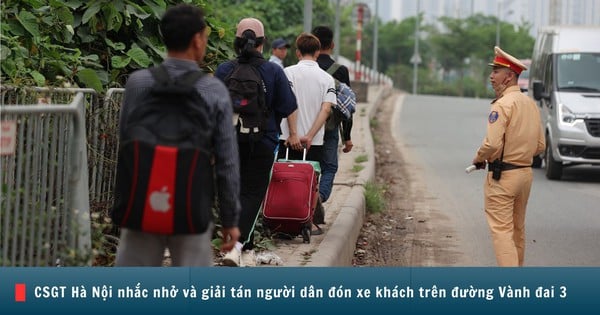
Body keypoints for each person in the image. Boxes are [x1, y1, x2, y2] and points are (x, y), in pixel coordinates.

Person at [114, 4, 241, 266]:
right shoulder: (213, 90)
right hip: (191, 205)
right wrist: (230, 220)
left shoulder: (138, 83)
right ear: (197, 40)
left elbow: (125, 144)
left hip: (142, 203)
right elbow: (227, 162)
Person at [215, 18, 299, 267]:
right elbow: (288, 106)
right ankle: (236, 247)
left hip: (229, 141)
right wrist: (290, 131)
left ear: (236, 41)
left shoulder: (223, 70)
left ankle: (246, 250)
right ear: (262, 43)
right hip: (263, 140)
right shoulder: (273, 71)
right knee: (252, 194)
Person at [472, 46, 545, 267]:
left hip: (503, 177)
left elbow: (492, 144)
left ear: (510, 76)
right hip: (524, 175)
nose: (491, 76)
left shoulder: (503, 105)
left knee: (502, 231)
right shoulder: (530, 104)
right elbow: (540, 145)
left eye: (496, 71)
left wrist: (479, 158)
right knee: (517, 230)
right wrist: (519, 153)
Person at [279, 33, 336, 234]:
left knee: (284, 180)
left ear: (297, 52)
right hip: (314, 142)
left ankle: (283, 219)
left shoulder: (287, 73)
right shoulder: (327, 78)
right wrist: (310, 135)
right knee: (311, 182)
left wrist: (293, 133)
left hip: (287, 139)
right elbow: (326, 109)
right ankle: (307, 222)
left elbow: (288, 102)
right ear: (318, 52)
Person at [311, 25, 354, 226]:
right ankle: (318, 198)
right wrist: (348, 137)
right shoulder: (341, 71)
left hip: (305, 128)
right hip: (329, 128)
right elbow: (348, 106)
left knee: (309, 167)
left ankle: (306, 201)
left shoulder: (305, 67)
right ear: (332, 45)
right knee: (329, 167)